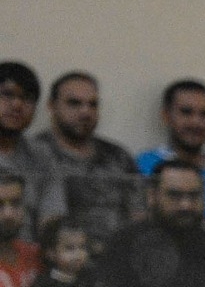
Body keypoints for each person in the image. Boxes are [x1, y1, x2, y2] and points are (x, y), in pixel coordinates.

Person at [33, 72, 143, 250]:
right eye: (74, 103)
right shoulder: (36, 154)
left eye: (93, 104)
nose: (86, 112)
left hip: (119, 256)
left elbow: (139, 216)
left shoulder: (118, 156)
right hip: (62, 258)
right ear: (51, 106)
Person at [136, 80, 205, 235]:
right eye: (186, 112)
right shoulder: (142, 167)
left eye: (204, 114)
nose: (196, 122)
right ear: (166, 116)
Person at [0, 62, 57, 237]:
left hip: (28, 251)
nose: (17, 105)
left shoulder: (42, 155)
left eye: (27, 98)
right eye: (7, 94)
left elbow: (51, 221)